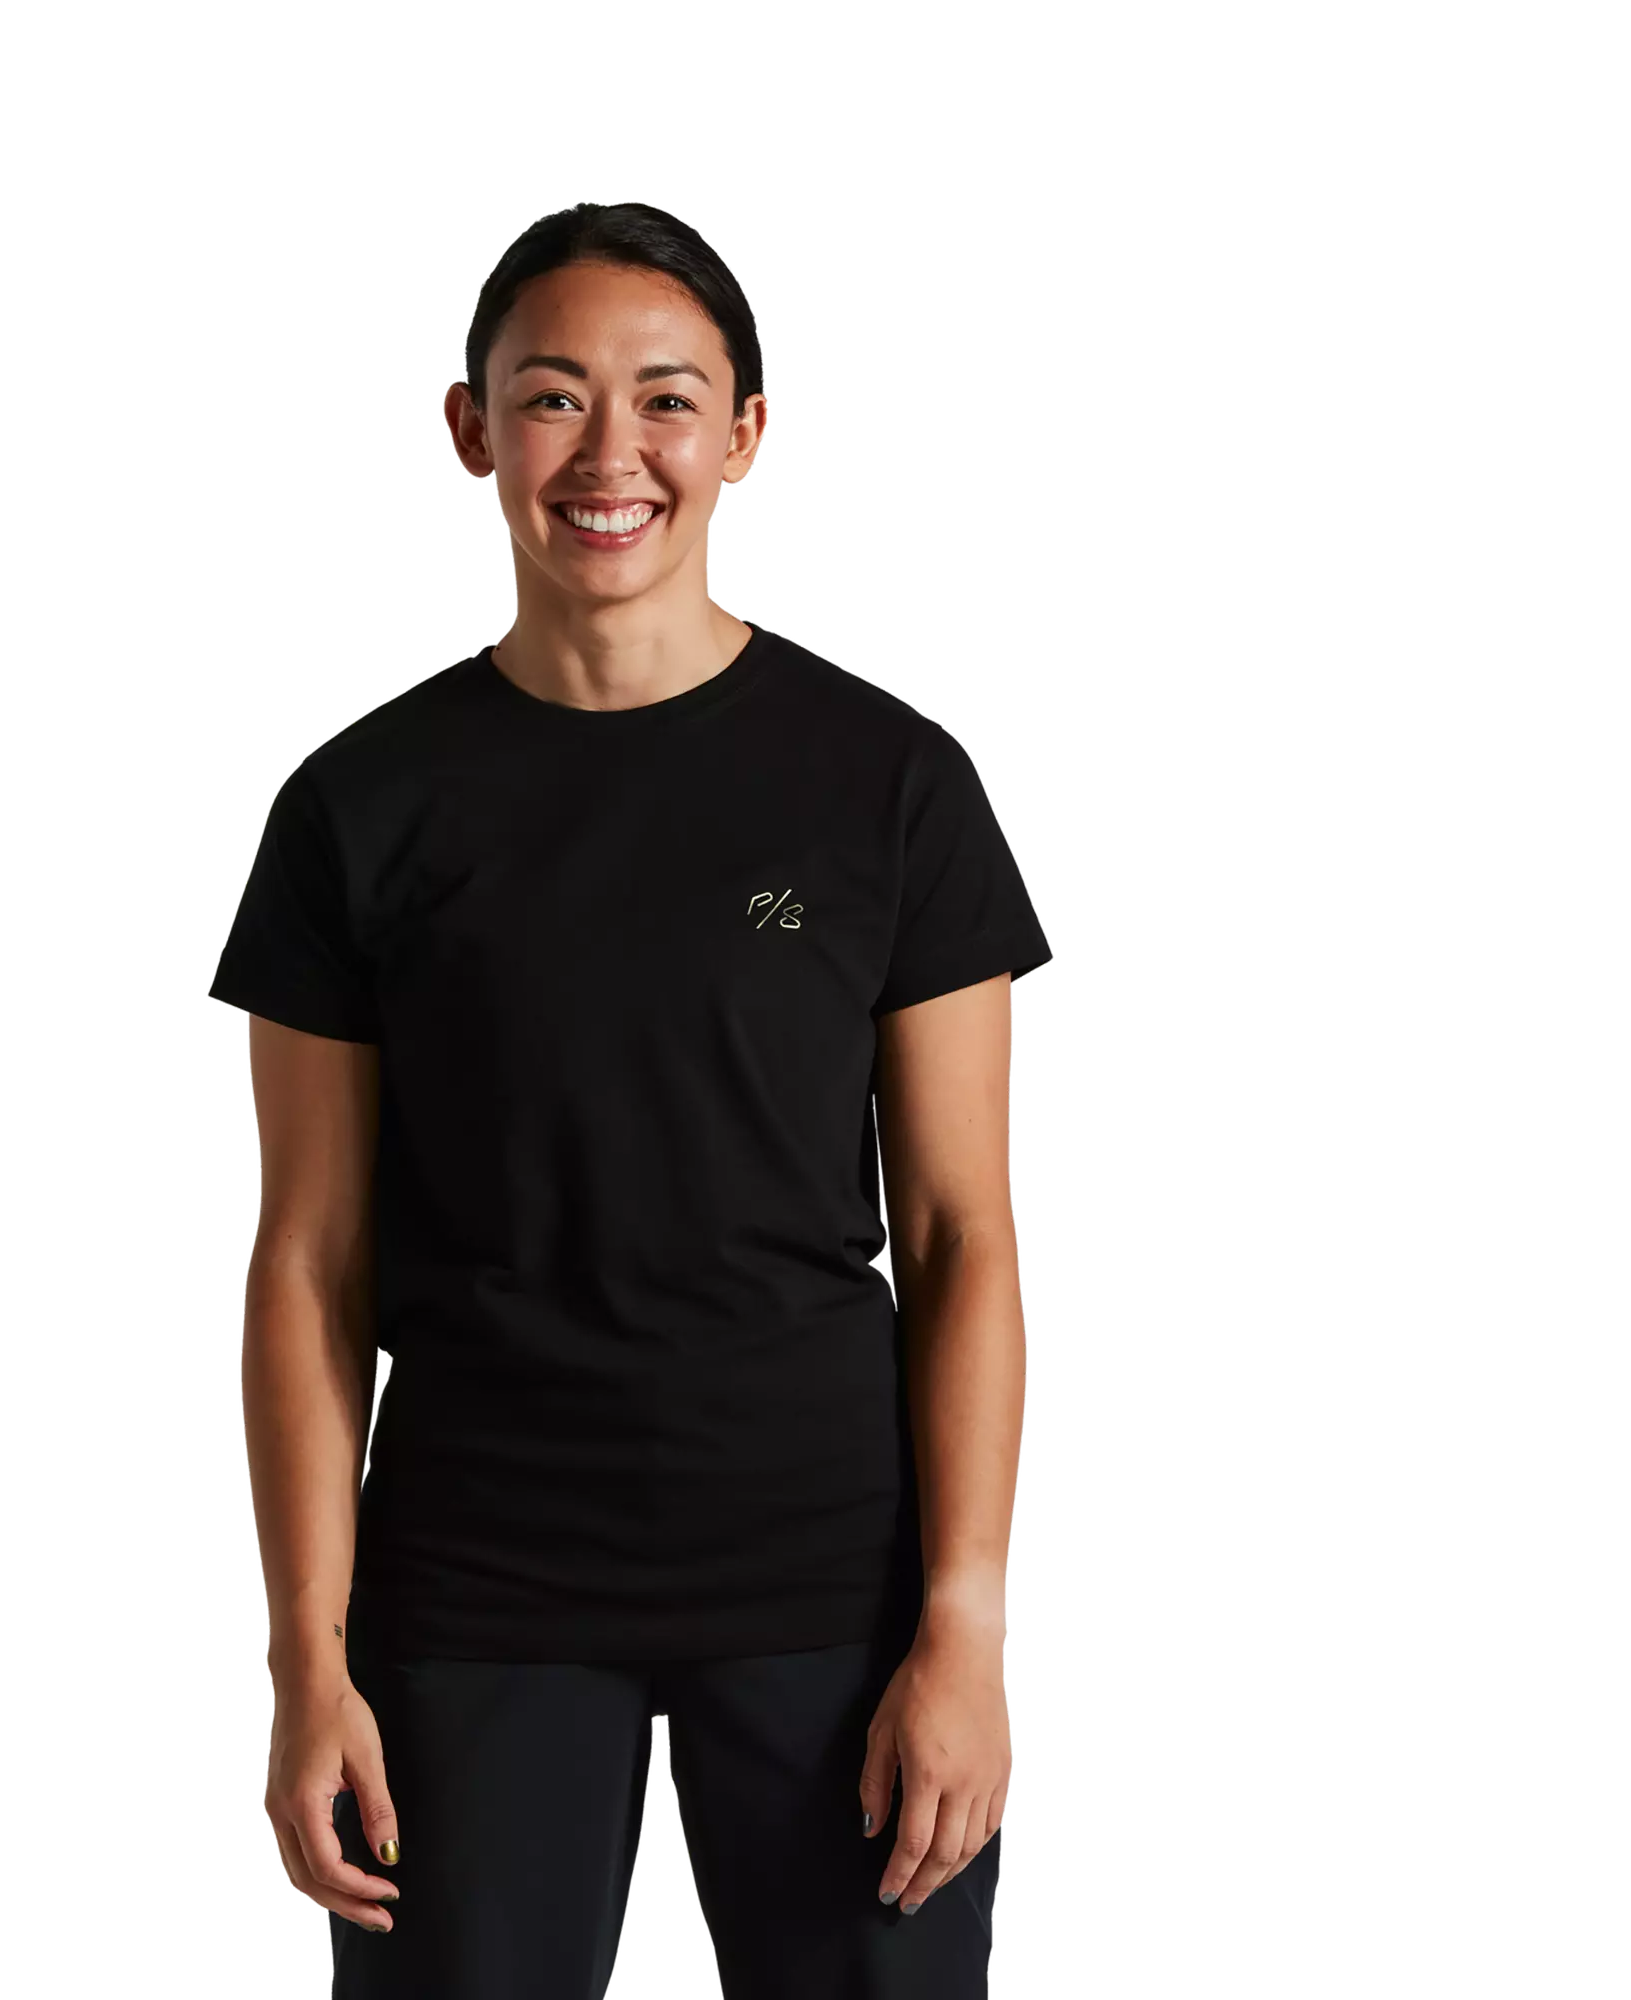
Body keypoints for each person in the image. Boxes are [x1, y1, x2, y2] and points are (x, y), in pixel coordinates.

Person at [205, 200, 1053, 1997]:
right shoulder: (358, 806)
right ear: (471, 430)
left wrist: (967, 1627)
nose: (610, 455)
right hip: (473, 1587)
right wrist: (305, 1659)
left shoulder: (892, 781)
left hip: (835, 1580)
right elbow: (307, 1262)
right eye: (551, 397)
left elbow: (961, 1237)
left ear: (745, 434)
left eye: (666, 400)